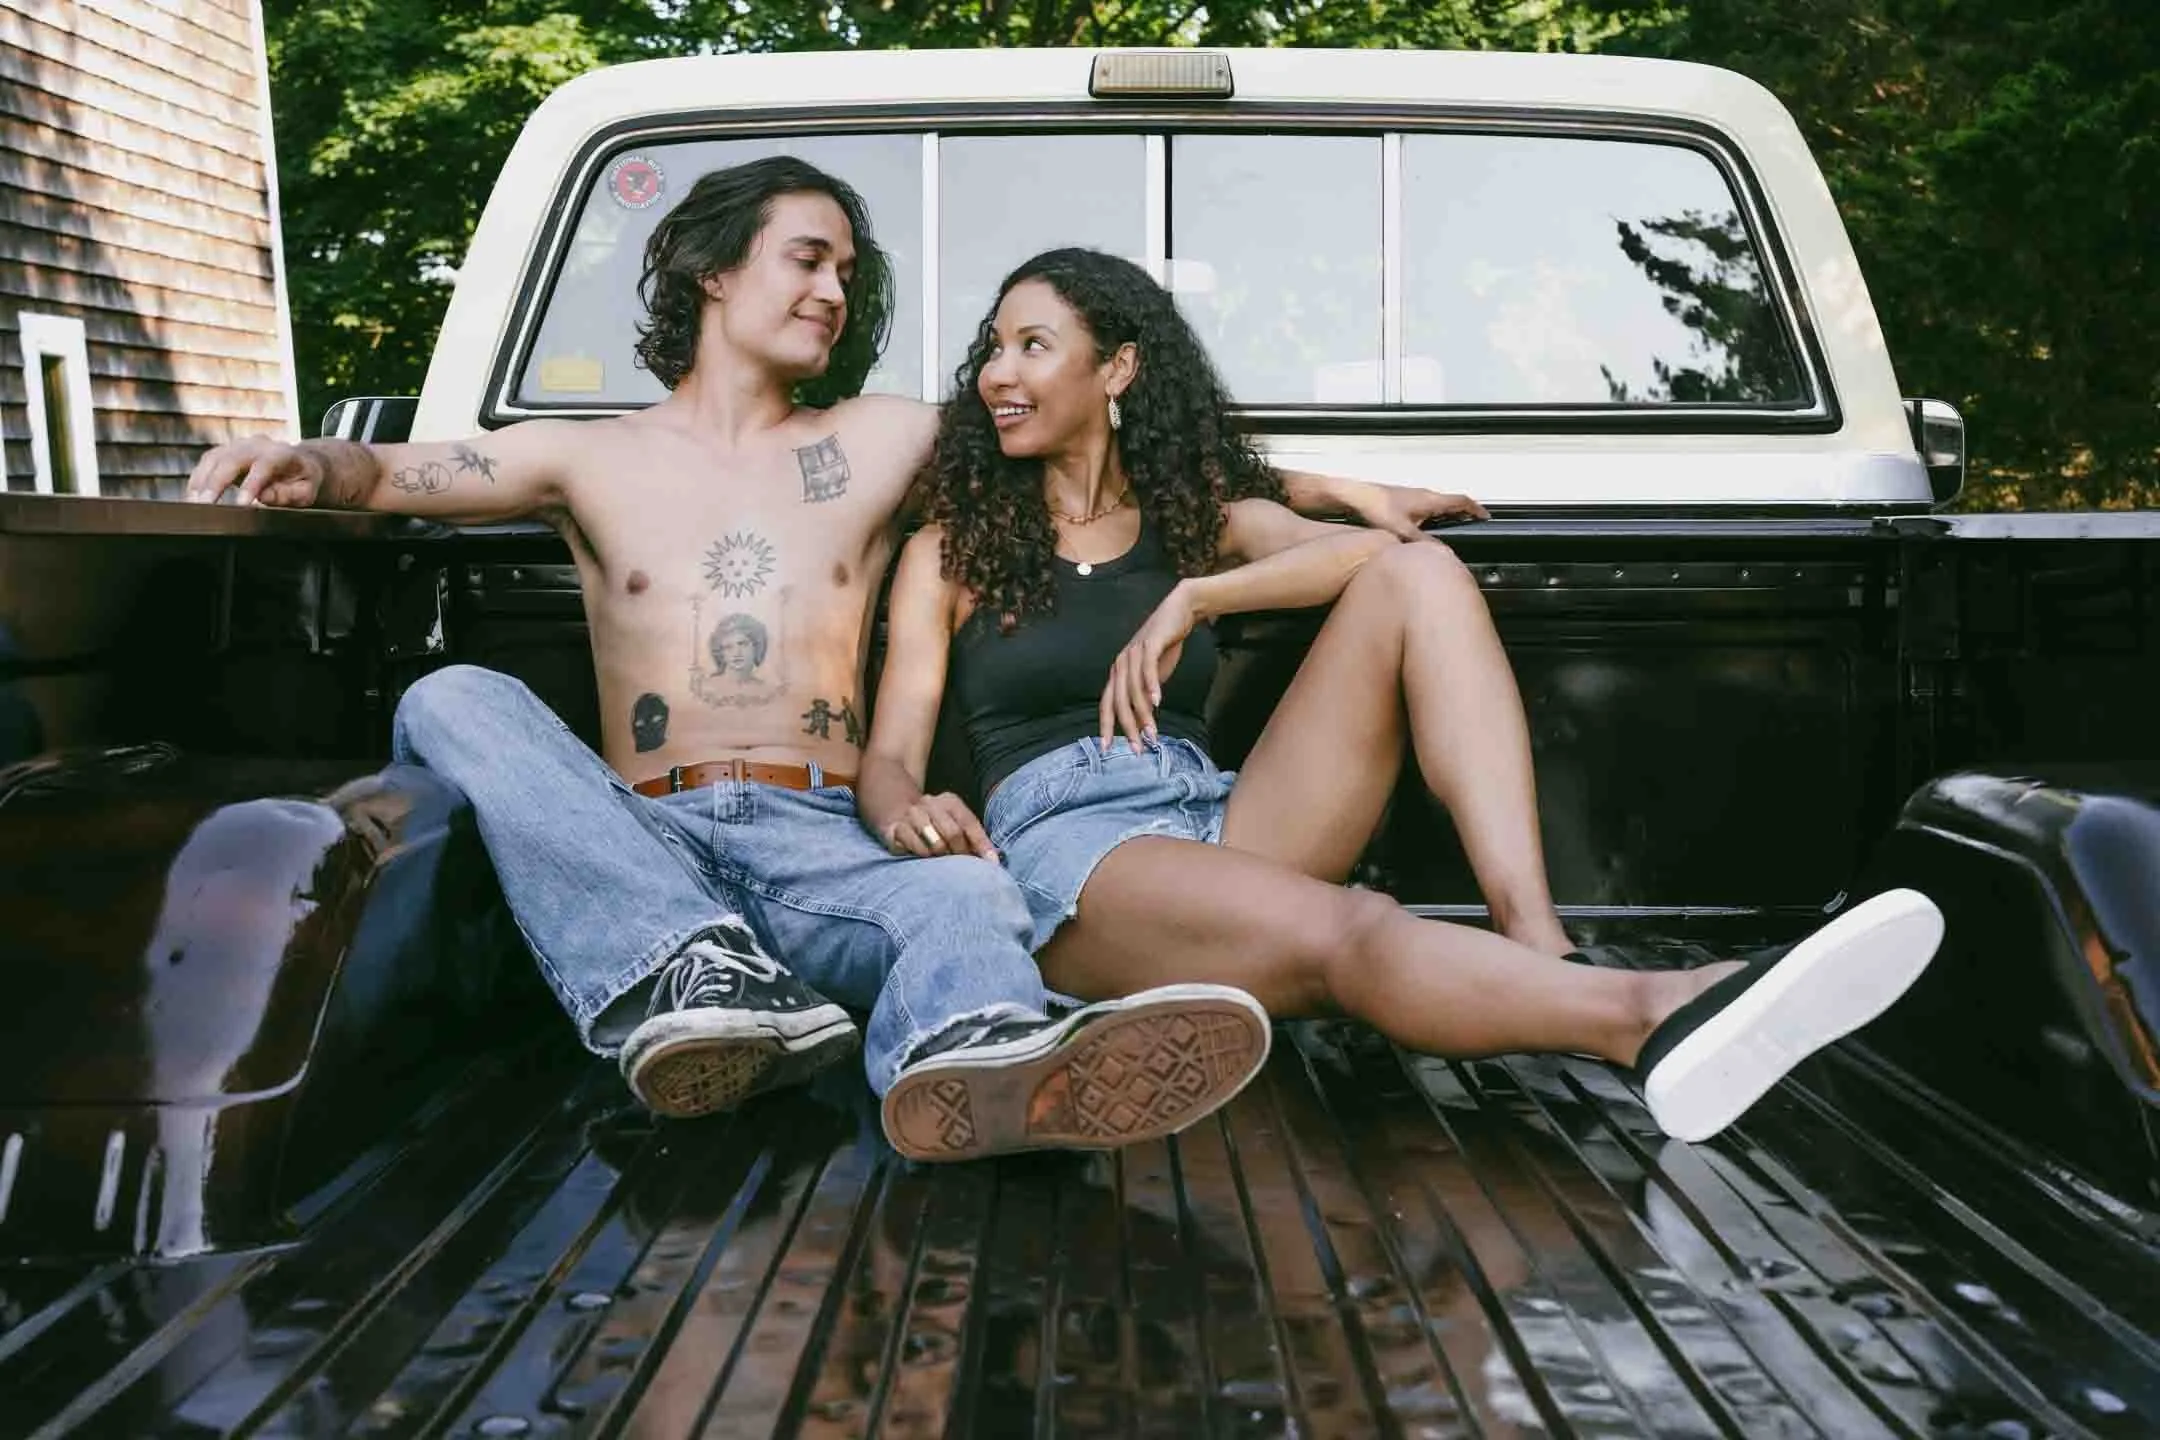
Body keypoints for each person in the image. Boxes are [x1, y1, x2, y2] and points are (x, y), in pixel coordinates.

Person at [180, 157, 1475, 1157]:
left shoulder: (880, 436)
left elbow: (1109, 437)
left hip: (818, 844)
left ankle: (973, 1066)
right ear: (710, 271)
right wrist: (314, 463)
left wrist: (1329, 484)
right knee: (455, 692)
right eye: (808, 260)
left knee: (974, 894)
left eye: (847, 274)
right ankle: (683, 974)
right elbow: (406, 470)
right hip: (632, 834)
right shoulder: (587, 452)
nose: (833, 292)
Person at [857, 248, 1946, 1146]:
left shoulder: (1195, 517)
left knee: (1422, 576)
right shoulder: (954, 548)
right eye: (993, 347)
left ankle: (1540, 940)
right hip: (1073, 858)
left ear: (1119, 369)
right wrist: (907, 805)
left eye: (1031, 345)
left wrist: (1196, 595)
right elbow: (893, 748)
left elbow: (1369, 557)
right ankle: (1646, 1017)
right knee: (1357, 932)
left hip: (1212, 818)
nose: (998, 370)